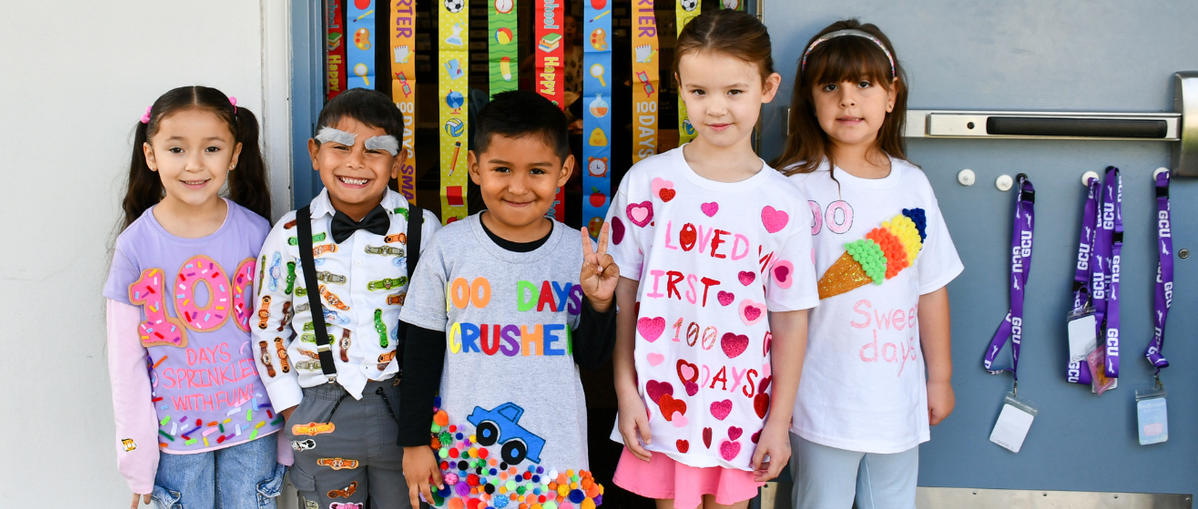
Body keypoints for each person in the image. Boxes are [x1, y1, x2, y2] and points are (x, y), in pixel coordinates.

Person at [606, 10, 818, 509]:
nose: (716, 108)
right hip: (659, 406)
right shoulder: (647, 183)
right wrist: (625, 392)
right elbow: (626, 304)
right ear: (679, 86)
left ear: (768, 87)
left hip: (742, 414)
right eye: (699, 92)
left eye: (734, 92)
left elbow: (790, 323)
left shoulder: (785, 203)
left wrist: (779, 424)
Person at [395, 90, 620, 509]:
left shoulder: (579, 255)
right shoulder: (450, 249)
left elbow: (591, 360)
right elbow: (419, 355)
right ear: (476, 168)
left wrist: (600, 305)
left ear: (564, 170)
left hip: (555, 461)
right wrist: (413, 443)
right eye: (502, 169)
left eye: (537, 170)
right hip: (463, 462)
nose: (518, 187)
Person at [774, 20, 962, 509]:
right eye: (830, 85)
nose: (847, 99)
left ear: (891, 96)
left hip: (896, 400)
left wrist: (938, 378)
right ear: (808, 99)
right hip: (817, 396)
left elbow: (931, 286)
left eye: (864, 84)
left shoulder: (912, 185)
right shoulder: (789, 187)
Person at [252, 88, 440, 509]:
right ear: (315, 152)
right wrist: (291, 410)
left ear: (399, 161)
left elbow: (440, 325)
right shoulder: (287, 234)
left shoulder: (424, 229)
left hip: (404, 406)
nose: (355, 161)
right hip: (318, 407)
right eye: (339, 147)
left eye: (375, 150)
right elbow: (268, 327)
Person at [103, 86, 281, 509]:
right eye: (177, 149)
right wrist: (137, 459)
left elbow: (279, 335)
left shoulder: (260, 234)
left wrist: (292, 432)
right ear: (151, 156)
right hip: (177, 442)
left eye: (212, 148)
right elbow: (125, 365)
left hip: (255, 433)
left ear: (234, 155)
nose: (195, 165)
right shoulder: (135, 246)